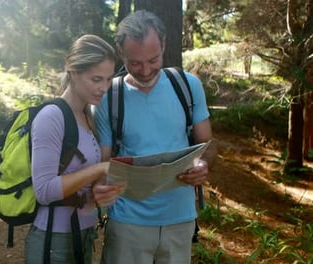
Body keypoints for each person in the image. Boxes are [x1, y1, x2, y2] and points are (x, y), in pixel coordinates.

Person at [92, 11, 217, 264]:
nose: (146, 70)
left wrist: (203, 165)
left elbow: (208, 145)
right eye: (135, 63)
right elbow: (102, 162)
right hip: (127, 222)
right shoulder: (109, 98)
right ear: (120, 52)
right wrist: (99, 185)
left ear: (164, 45)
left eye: (153, 59)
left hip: (180, 219)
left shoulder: (188, 86)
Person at [24, 34, 123, 264]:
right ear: (73, 72)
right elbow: (45, 190)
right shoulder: (52, 116)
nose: (104, 88)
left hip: (83, 233)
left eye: (108, 79)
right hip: (54, 239)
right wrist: (99, 169)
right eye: (96, 79)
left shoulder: (88, 116)